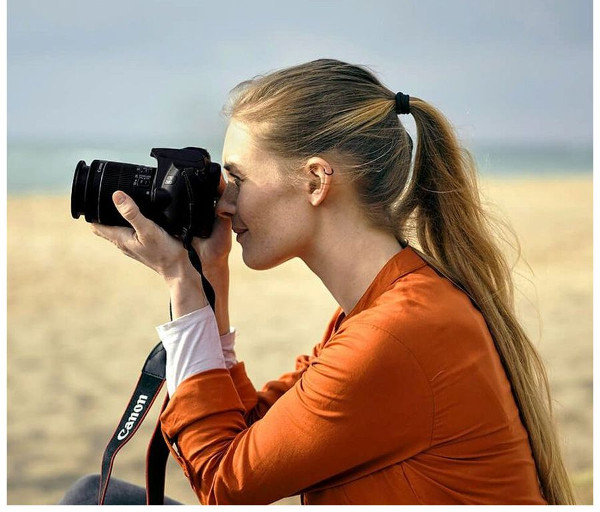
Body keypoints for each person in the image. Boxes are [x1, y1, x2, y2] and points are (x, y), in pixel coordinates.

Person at [60, 59, 574, 505]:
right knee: (93, 496)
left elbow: (225, 482)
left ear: (315, 181)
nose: (223, 201)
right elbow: (252, 431)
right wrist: (209, 275)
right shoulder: (381, 311)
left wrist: (181, 282)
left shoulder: (398, 333)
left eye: (236, 178)